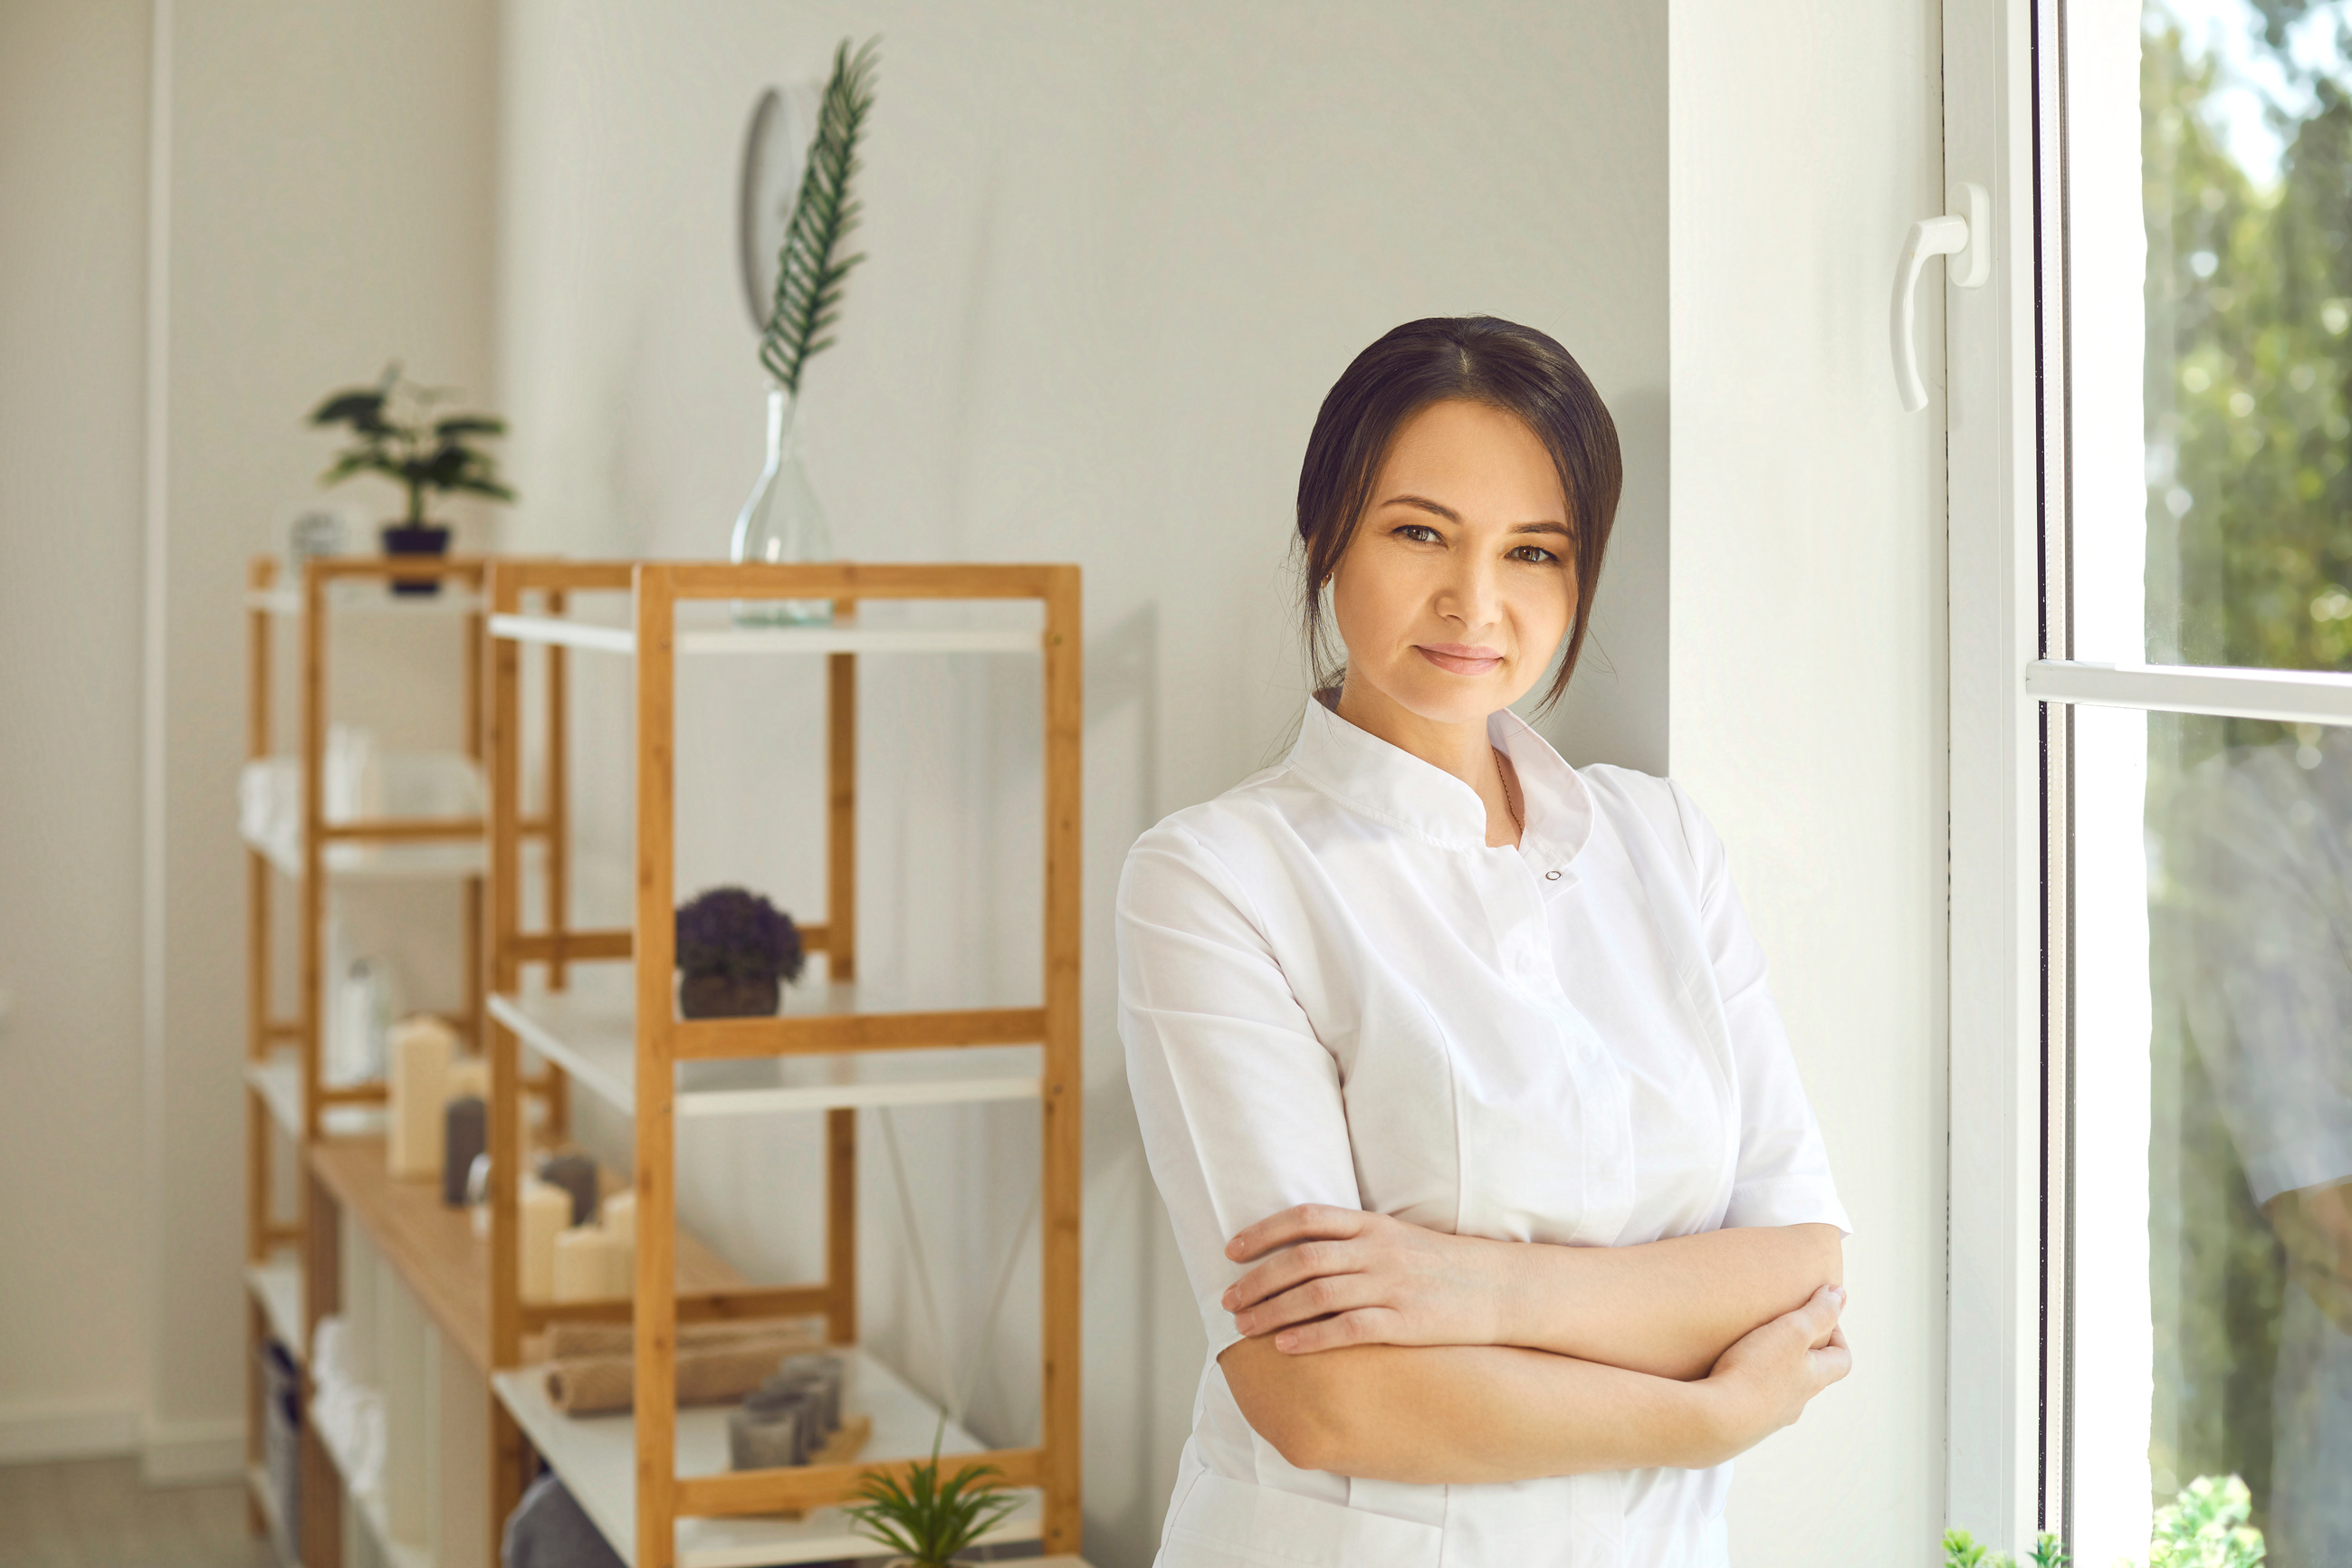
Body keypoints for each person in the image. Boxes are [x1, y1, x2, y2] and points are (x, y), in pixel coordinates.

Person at [1117, 316, 1852, 1567]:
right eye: (1418, 533)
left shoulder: (1660, 843)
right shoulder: (1215, 881)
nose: (1476, 602)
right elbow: (1325, 1399)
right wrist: (1702, 1413)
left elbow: (1800, 1269)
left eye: (1534, 553)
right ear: (1322, 536)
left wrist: (1478, 1294)